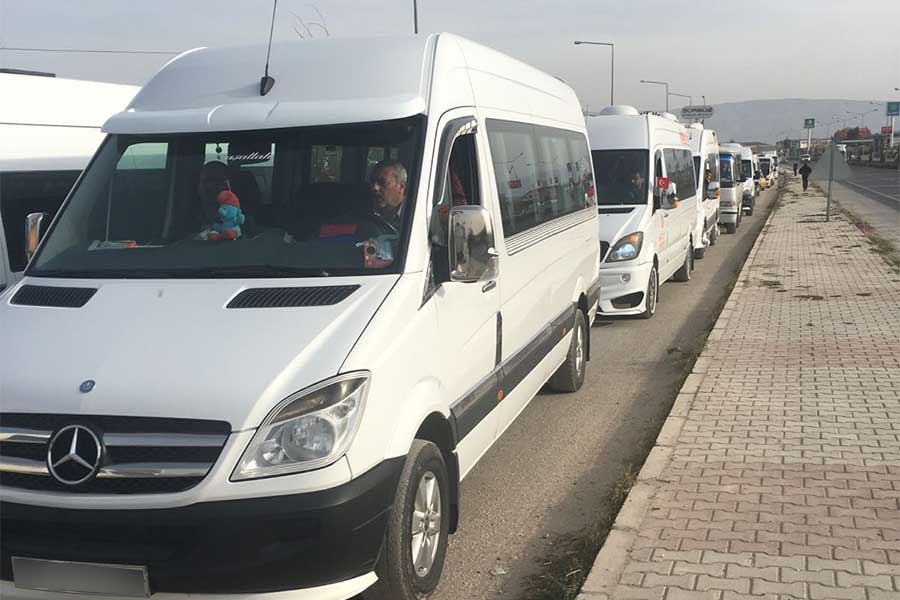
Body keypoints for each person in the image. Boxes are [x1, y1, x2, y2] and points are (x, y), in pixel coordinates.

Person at [369, 160, 408, 230]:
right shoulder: (366, 214)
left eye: (382, 182)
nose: (375, 188)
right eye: (372, 182)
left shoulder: (417, 215)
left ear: (401, 186)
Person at [194, 161, 230, 230]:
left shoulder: (243, 220)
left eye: (219, 181)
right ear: (198, 185)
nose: (211, 185)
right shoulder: (186, 220)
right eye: (207, 180)